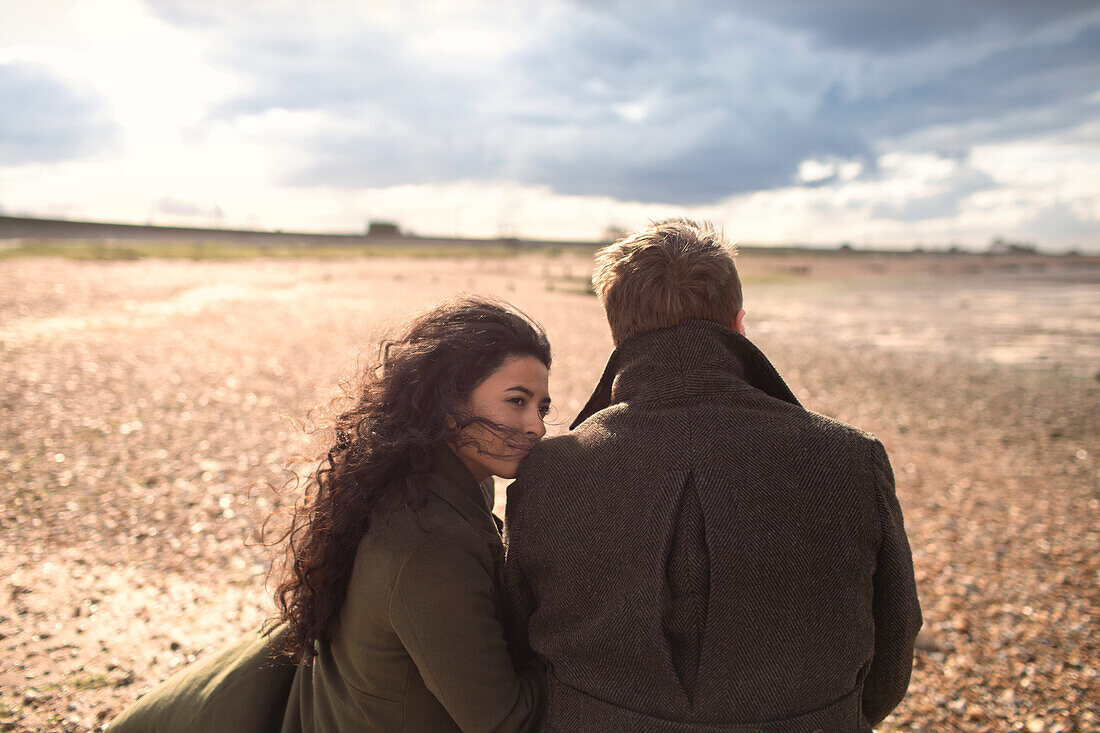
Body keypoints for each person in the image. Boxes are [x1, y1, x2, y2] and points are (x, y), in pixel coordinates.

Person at [504, 220, 922, 732]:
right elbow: (896, 641)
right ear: (738, 323)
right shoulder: (850, 458)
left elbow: (519, 633)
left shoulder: (550, 470)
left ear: (618, 331)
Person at [111, 295, 551, 732]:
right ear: (447, 402)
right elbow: (503, 722)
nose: (537, 426)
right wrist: (589, 659)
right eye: (517, 401)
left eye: (542, 407)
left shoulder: (408, 484)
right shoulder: (429, 543)